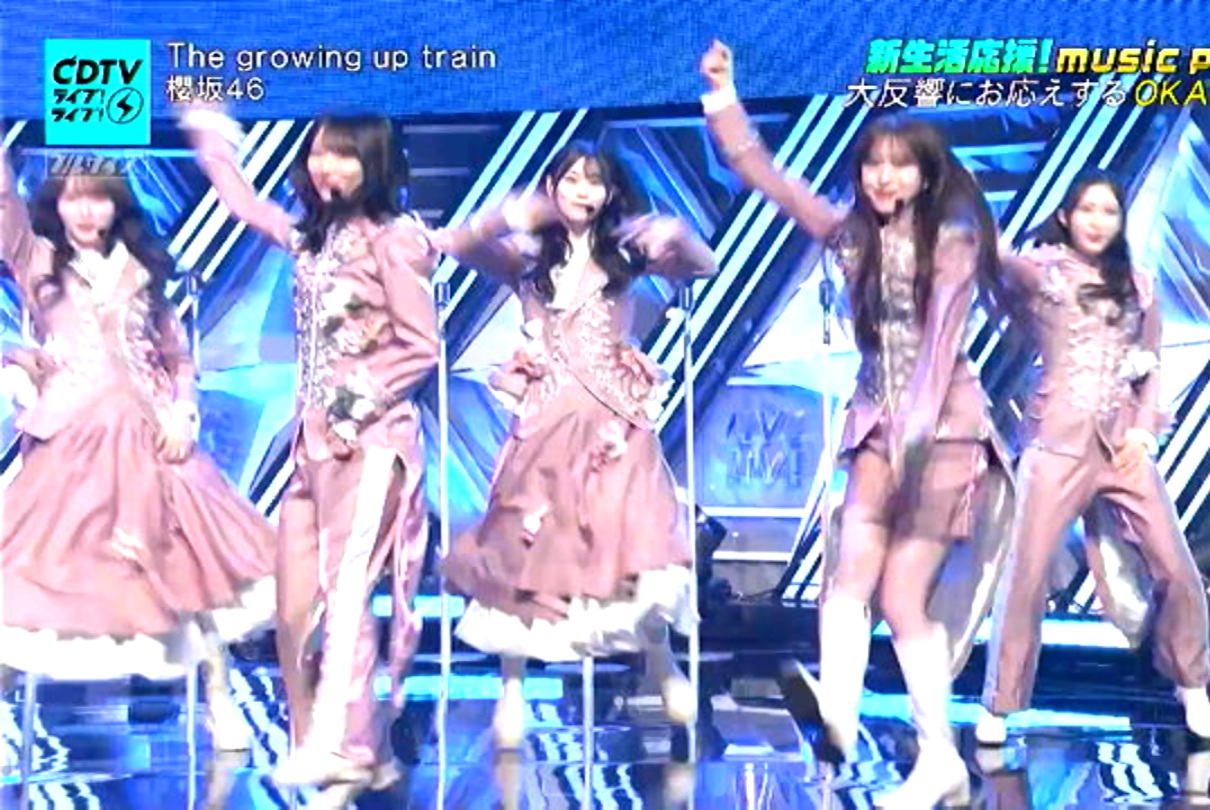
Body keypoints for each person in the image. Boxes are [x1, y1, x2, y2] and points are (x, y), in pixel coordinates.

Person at [700, 40, 1015, 806]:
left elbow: (936, 355)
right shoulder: (849, 237)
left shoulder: (955, 243)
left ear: (927, 175)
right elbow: (766, 175)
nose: (883, 176)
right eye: (873, 163)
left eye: (900, 165)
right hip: (874, 427)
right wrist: (722, 96)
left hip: (942, 438)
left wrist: (912, 448)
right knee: (845, 582)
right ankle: (838, 716)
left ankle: (938, 759)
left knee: (902, 597)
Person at [181, 105, 439, 795]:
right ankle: (327, 750)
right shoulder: (311, 240)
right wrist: (211, 141)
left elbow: (422, 346)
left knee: (345, 600)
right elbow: (246, 206)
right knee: (294, 611)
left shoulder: (398, 240)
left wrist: (354, 406)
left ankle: (347, 755)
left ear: (374, 164)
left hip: (372, 445)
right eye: (321, 152)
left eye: (345, 155)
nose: (328, 166)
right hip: (311, 450)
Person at [431, 141, 716, 749]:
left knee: (625, 547)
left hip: (614, 428)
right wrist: (512, 213)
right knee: (523, 551)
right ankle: (511, 689)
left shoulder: (627, 254)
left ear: (611, 193)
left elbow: (704, 266)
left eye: (594, 181)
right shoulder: (527, 259)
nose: (582, 191)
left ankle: (662, 664)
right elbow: (456, 242)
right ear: (552, 187)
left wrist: (674, 231)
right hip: (543, 424)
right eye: (570, 180)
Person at [0, 150, 275, 752]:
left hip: (151, 437)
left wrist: (183, 412)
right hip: (70, 442)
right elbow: (4, 207)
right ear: (56, 204)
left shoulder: (143, 271)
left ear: (116, 205)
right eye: (73, 196)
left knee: (190, 568)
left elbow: (179, 360)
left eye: (97, 197)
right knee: (35, 577)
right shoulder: (38, 261)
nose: (85, 210)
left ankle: (219, 700)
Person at [977, 170, 1210, 745]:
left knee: (1176, 567)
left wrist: (1143, 432)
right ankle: (1000, 704)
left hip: (1123, 448)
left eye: (1108, 211)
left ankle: (1192, 685)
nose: (1097, 221)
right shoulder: (1044, 270)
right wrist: (960, 198)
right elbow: (994, 256)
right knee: (1025, 577)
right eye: (1087, 209)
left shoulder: (1140, 284)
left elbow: (1151, 364)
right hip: (1055, 445)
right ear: (1066, 216)